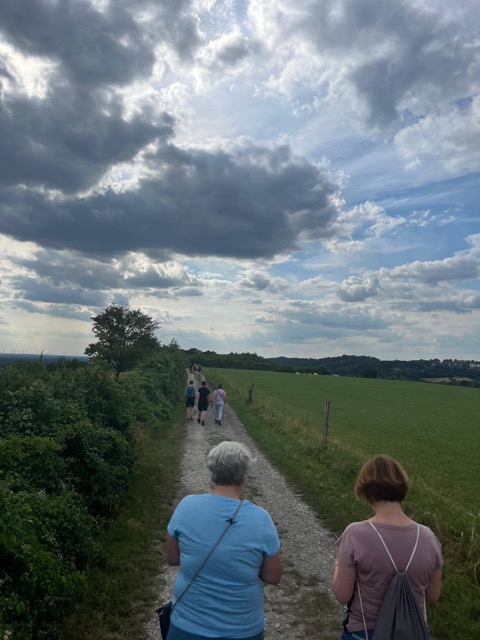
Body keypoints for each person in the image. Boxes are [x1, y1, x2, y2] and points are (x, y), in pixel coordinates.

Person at [165, 441, 282, 640]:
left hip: (187, 625)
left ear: (212, 471)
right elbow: (273, 577)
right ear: (244, 475)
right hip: (243, 629)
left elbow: (172, 558)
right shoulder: (261, 519)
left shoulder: (186, 506)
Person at [332, 454, 443, 640]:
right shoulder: (428, 537)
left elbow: (342, 594)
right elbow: (433, 596)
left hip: (365, 632)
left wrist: (338, 560)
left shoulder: (355, 534)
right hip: (411, 633)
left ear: (366, 492)